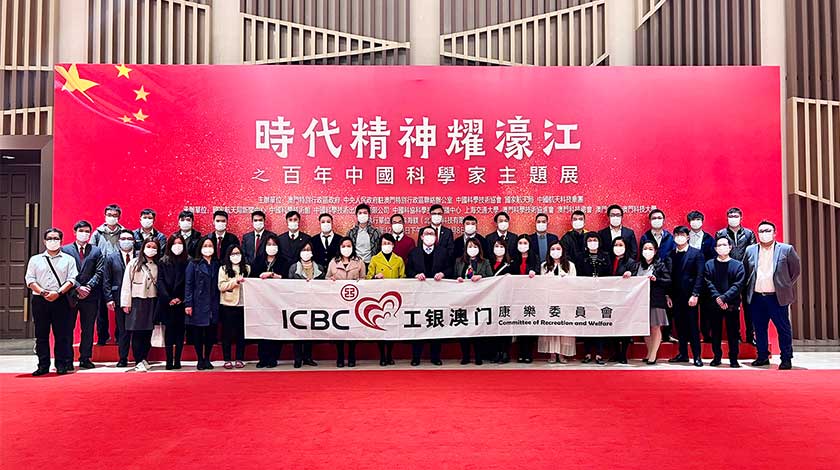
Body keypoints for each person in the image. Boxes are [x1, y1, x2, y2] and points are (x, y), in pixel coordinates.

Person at [743, 220, 801, 370]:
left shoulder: (786, 249)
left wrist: (784, 285)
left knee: (783, 329)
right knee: (759, 329)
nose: (764, 234)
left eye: (767, 231)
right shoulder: (750, 250)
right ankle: (762, 356)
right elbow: (746, 271)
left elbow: (795, 271)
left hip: (777, 297)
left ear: (775, 233)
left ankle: (786, 358)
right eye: (761, 231)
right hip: (757, 297)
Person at [25, 228, 78, 376]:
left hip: (61, 299)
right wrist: (43, 292)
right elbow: (30, 280)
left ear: (61, 241)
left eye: (56, 238)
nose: (52, 241)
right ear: (44, 241)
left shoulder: (69, 259)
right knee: (41, 335)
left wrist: (58, 293)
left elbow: (71, 280)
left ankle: (61, 364)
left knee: (62, 335)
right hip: (40, 300)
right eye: (49, 238)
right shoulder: (35, 259)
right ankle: (43, 365)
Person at [406, 227, 454, 366]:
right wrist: (415, 274)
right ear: (421, 237)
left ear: (436, 237)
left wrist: (443, 274)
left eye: (432, 234)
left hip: (437, 295)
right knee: (418, 325)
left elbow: (450, 268)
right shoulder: (414, 252)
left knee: (435, 324)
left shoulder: (442, 252)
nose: (429, 236)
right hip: (419, 296)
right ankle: (416, 357)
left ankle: (435, 357)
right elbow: (408, 269)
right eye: (426, 233)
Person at [62, 220, 104, 369]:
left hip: (90, 296)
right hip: (70, 295)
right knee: (68, 328)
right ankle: (67, 359)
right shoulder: (65, 250)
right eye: (81, 231)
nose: (84, 234)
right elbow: (63, 272)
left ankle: (85, 358)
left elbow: (99, 271)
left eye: (87, 231)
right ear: (75, 232)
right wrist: (78, 287)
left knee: (88, 328)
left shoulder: (96, 251)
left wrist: (88, 287)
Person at [716, 207, 758, 345]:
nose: (733, 218)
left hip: (746, 275)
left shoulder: (749, 234)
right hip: (728, 275)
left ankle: (751, 336)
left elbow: (753, 254)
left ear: (741, 218)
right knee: (732, 308)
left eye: (736, 216)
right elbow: (719, 252)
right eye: (730, 216)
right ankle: (736, 336)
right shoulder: (721, 233)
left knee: (749, 307)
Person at [704, 235, 746, 368]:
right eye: (719, 245)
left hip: (732, 304)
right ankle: (717, 357)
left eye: (724, 245)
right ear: (715, 249)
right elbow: (708, 283)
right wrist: (718, 298)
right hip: (714, 303)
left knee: (733, 333)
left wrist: (724, 298)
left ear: (730, 247)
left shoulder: (738, 265)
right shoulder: (709, 264)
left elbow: (738, 285)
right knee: (715, 332)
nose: (722, 247)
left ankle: (734, 359)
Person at [120, 238, 160, 372]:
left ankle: (144, 358)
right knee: (137, 332)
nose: (151, 249)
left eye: (154, 247)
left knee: (148, 331)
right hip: (137, 300)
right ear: (143, 248)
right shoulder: (134, 263)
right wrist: (126, 303)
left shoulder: (157, 264)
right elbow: (126, 284)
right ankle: (138, 360)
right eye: (148, 246)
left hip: (151, 300)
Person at [667, 226, 705, 367]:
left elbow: (700, 276)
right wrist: (668, 295)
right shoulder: (671, 254)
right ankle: (683, 354)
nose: (679, 237)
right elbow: (669, 276)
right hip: (676, 297)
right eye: (677, 235)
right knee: (679, 327)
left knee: (693, 327)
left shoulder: (696, 253)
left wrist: (695, 294)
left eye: (682, 234)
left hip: (691, 297)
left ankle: (697, 356)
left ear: (688, 237)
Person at [366, 233, 406, 366]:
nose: (386, 246)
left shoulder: (399, 260)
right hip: (379, 297)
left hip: (394, 297)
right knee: (380, 327)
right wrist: (375, 277)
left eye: (389, 243)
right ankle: (382, 355)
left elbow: (403, 277)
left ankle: (389, 354)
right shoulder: (375, 259)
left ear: (393, 245)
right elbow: (368, 277)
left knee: (391, 327)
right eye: (384, 243)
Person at [327, 237, 367, 367]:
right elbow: (327, 278)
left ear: (353, 247)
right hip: (337, 301)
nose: (346, 248)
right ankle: (340, 356)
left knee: (352, 329)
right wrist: (330, 280)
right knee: (339, 329)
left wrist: (361, 282)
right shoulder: (334, 262)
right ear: (339, 248)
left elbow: (364, 279)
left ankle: (351, 355)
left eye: (349, 246)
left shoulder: (359, 262)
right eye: (343, 246)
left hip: (354, 301)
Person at [537, 240, 577, 363]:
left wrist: (567, 279)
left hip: (565, 300)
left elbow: (576, 283)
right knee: (551, 327)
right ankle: (552, 354)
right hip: (549, 300)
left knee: (564, 327)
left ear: (563, 251)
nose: (555, 251)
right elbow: (541, 284)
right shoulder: (544, 265)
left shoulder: (570, 265)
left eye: (558, 249)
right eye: (553, 249)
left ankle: (562, 354)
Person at [454, 237, 492, 365]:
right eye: (470, 246)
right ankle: (465, 356)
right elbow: (453, 276)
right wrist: (458, 278)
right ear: (466, 248)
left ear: (479, 249)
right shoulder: (459, 261)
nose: (472, 249)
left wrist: (481, 276)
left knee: (477, 328)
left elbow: (491, 277)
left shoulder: (485, 262)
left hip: (479, 299)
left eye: (475, 247)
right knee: (464, 327)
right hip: (462, 299)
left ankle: (478, 356)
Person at [185, 237, 221, 370]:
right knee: (198, 332)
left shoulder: (217, 264)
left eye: (210, 245)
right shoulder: (193, 264)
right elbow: (188, 284)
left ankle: (207, 358)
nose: (208, 248)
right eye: (205, 246)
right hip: (198, 303)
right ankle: (200, 358)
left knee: (211, 332)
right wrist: (188, 303)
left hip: (213, 302)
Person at [102, 229, 137, 367]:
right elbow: (106, 280)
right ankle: (123, 358)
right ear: (119, 241)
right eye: (123, 239)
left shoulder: (139, 256)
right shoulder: (111, 257)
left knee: (138, 329)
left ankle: (139, 357)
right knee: (123, 330)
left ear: (134, 241)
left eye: (129, 239)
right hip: (118, 298)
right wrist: (109, 298)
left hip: (138, 297)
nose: (126, 241)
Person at [640, 209, 676, 340]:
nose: (657, 220)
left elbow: (672, 256)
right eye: (654, 218)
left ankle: (667, 333)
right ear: (650, 221)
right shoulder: (645, 237)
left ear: (663, 220)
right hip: (649, 274)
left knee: (668, 305)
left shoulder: (669, 237)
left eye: (659, 218)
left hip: (665, 273)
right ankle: (648, 334)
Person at [250, 234, 285, 368]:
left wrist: (273, 275)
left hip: (277, 302)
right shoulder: (258, 261)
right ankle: (262, 358)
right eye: (269, 244)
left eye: (274, 244)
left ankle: (273, 357)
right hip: (261, 301)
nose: (271, 247)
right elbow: (252, 279)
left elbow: (288, 280)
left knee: (275, 329)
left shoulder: (283, 261)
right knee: (263, 329)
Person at [91, 204, 123, 346]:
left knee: (119, 305)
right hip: (101, 272)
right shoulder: (97, 233)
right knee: (101, 308)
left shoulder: (123, 233)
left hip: (118, 273)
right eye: (109, 215)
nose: (112, 218)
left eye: (115, 215)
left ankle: (119, 336)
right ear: (105, 216)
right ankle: (102, 336)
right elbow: (92, 253)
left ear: (119, 217)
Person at [288, 241, 324, 368]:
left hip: (313, 303)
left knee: (310, 330)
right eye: (304, 250)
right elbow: (288, 286)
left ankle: (308, 357)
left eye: (308, 249)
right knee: (298, 331)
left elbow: (323, 286)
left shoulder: (319, 268)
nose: (306, 252)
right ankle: (297, 358)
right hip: (297, 304)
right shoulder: (294, 268)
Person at [156, 234, 189, 370]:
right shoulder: (163, 261)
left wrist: (181, 298)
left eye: (180, 243)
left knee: (180, 332)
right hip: (167, 303)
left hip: (181, 302)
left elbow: (189, 282)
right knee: (169, 332)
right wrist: (169, 299)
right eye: (174, 243)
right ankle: (169, 360)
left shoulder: (188, 261)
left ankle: (178, 360)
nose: (177, 246)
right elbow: (160, 281)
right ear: (169, 245)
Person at [578, 232, 610, 365]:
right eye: (590, 240)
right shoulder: (580, 257)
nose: (592, 242)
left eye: (594, 240)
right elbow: (578, 275)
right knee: (586, 323)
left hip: (601, 295)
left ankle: (599, 353)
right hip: (585, 295)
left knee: (600, 323)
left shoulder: (605, 256)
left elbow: (609, 274)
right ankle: (587, 353)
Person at [637, 241, 672, 364]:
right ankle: (649, 351)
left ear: (655, 251)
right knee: (645, 327)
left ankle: (653, 354)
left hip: (656, 299)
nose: (647, 251)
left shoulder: (660, 265)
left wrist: (656, 279)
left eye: (650, 248)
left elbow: (668, 281)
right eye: (645, 248)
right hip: (641, 300)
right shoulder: (638, 266)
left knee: (655, 327)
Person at [687, 210, 716, 343]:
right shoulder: (685, 236)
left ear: (702, 221)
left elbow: (713, 258)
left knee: (706, 308)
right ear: (689, 222)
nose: (695, 222)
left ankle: (706, 334)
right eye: (693, 220)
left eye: (698, 219)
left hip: (705, 278)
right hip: (688, 278)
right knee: (689, 309)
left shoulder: (709, 239)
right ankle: (691, 334)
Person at [608, 237, 638, 364]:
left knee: (625, 326)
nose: (618, 247)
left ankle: (623, 354)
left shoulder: (631, 262)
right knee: (612, 326)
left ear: (626, 247)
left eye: (621, 245)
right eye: (616, 245)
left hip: (625, 299)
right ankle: (616, 353)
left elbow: (636, 279)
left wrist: (631, 274)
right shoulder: (609, 260)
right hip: (610, 299)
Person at [218, 245, 249, 369]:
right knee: (227, 333)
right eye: (233, 254)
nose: (236, 256)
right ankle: (227, 359)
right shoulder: (223, 269)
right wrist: (235, 282)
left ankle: (239, 358)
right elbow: (221, 286)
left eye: (238, 253)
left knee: (241, 334)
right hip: (228, 304)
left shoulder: (247, 268)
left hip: (243, 304)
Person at [511, 234, 539, 363]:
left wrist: (534, 273)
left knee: (530, 325)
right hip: (516, 297)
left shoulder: (534, 258)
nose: (523, 245)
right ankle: (521, 353)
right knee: (519, 325)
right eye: (520, 243)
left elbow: (539, 273)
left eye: (525, 243)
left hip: (531, 296)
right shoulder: (513, 259)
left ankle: (528, 353)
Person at [488, 239, 513, 363]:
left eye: (501, 246)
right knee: (493, 326)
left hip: (506, 299)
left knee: (505, 326)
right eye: (496, 246)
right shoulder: (488, 262)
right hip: (491, 298)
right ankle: (496, 352)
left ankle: (505, 352)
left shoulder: (511, 263)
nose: (499, 248)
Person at [278, 210, 311, 276]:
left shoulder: (306, 238)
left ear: (299, 221)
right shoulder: (280, 238)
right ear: (287, 222)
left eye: (295, 220)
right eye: (290, 220)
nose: (293, 222)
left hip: (300, 274)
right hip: (283, 273)